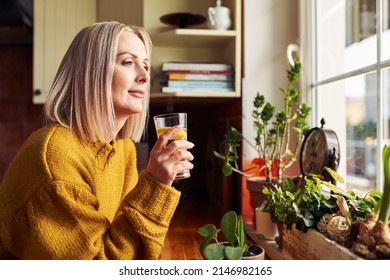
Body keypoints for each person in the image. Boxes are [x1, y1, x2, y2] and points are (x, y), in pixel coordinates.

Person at [0, 21, 194, 260]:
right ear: (91, 71)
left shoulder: (123, 149)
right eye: (128, 62)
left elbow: (129, 246)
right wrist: (154, 185)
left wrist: (159, 184)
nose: (145, 76)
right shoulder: (54, 156)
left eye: (145, 65)